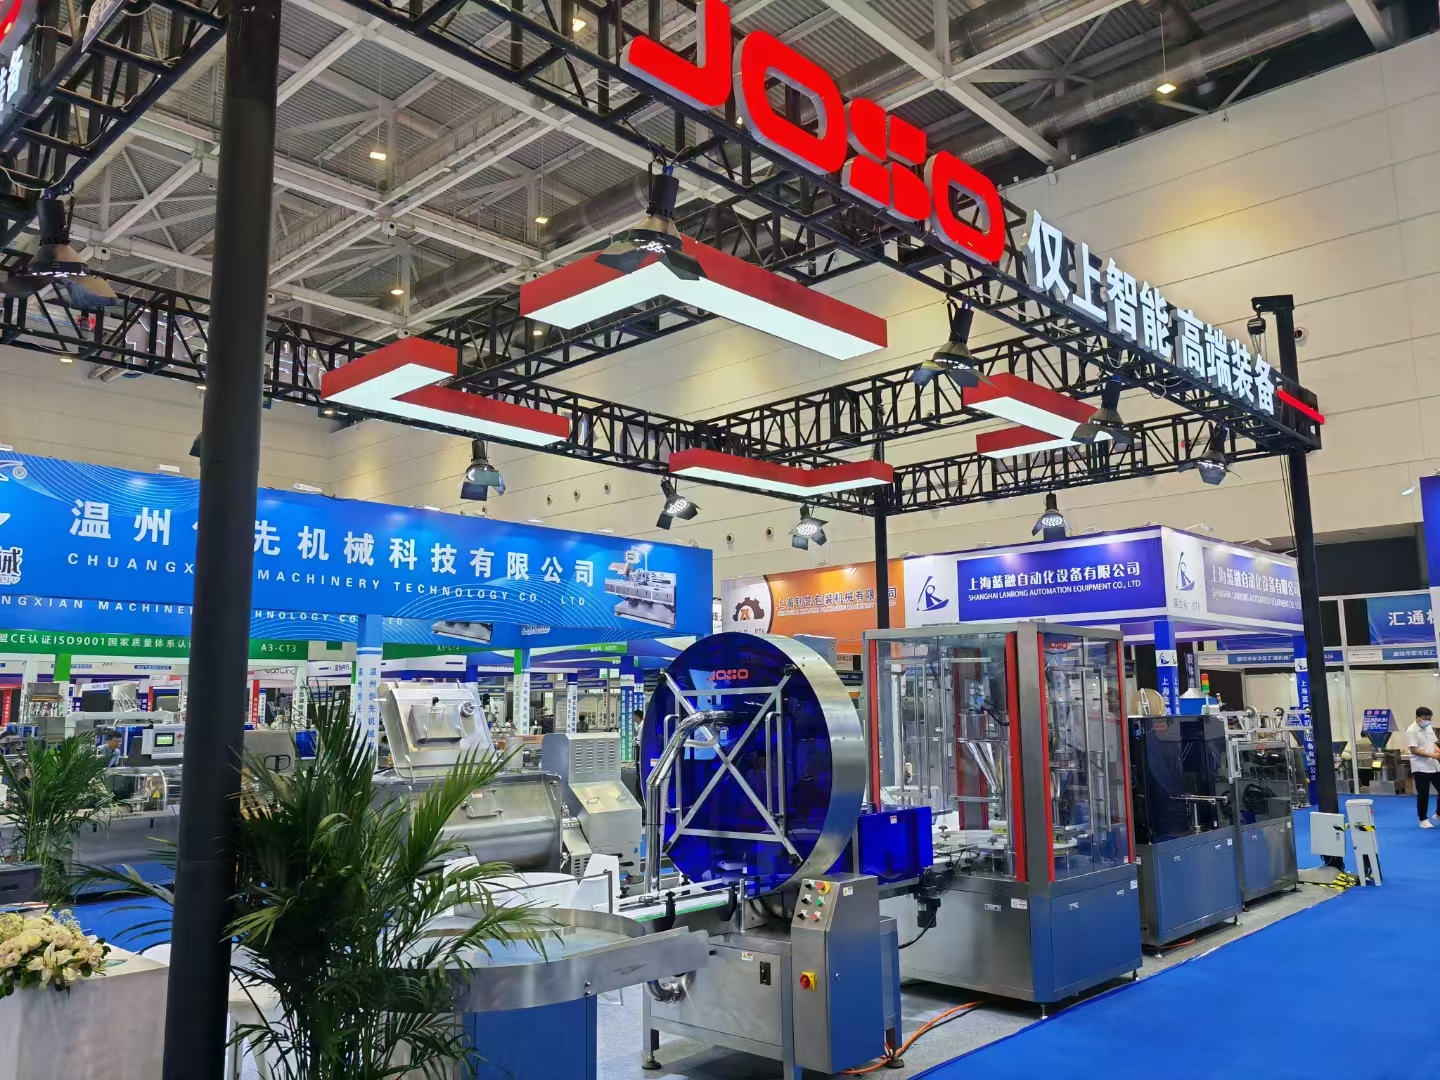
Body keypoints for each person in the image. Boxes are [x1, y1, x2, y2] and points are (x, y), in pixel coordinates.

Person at [1406, 707, 1440, 827]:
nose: (1427, 721)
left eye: (1429, 718)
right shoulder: (1412, 731)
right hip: (1420, 766)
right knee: (1423, 793)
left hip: (1434, 765)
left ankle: (1438, 814)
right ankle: (1423, 819)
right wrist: (1433, 755)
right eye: (1425, 718)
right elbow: (1413, 750)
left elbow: (1433, 742)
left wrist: (1438, 751)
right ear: (1417, 717)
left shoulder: (1428, 727)